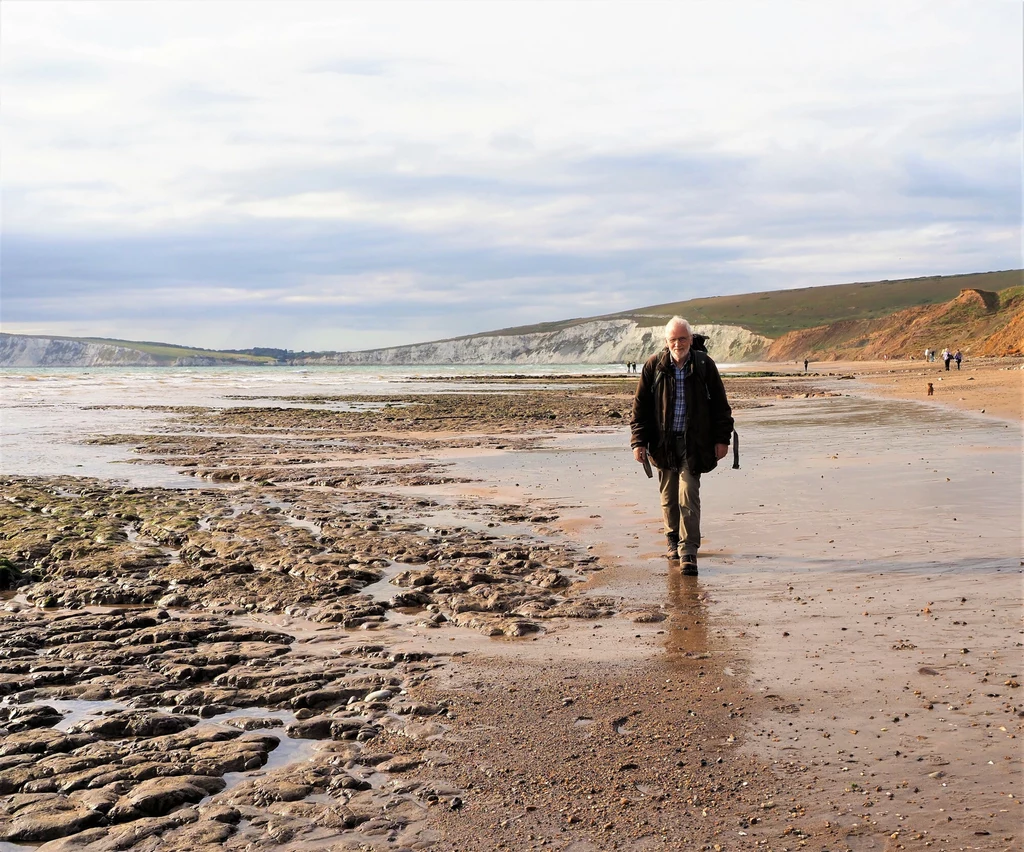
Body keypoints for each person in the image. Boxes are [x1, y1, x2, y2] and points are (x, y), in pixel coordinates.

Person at [630, 317, 734, 576]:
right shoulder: (654, 366)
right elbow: (640, 408)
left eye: (683, 338)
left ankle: (688, 552)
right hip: (663, 444)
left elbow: (721, 406)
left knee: (688, 495)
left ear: (690, 339)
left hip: (694, 443)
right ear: (667, 342)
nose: (678, 344)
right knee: (668, 498)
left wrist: (723, 440)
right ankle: (672, 540)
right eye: (673, 339)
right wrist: (638, 442)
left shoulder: (703, 365)